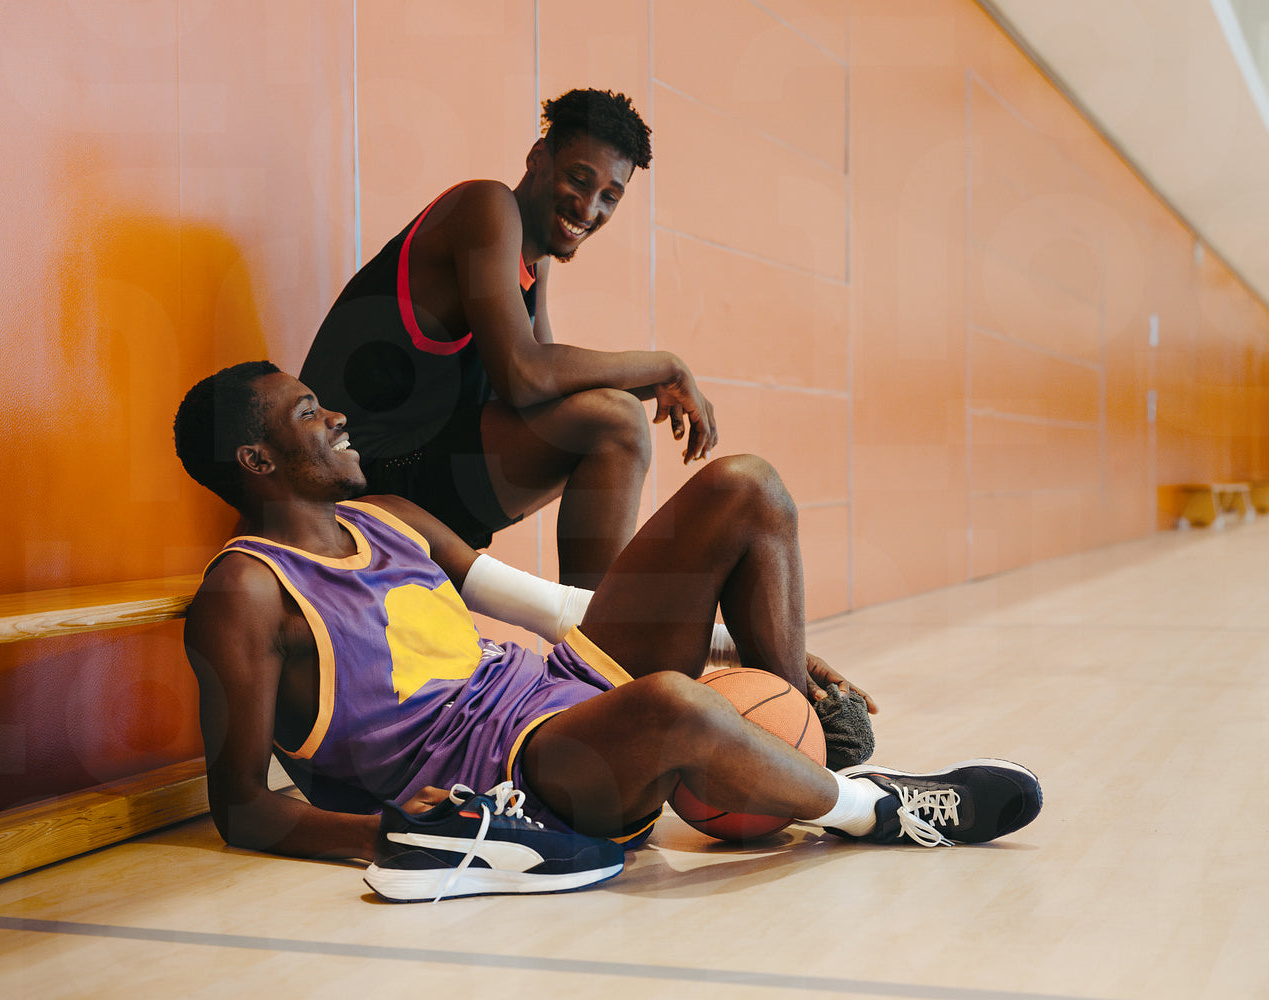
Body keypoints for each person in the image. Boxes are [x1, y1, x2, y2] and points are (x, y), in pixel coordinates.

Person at [174, 362, 1042, 903]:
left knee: (746, 486)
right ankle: (875, 810)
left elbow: (555, 610)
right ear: (257, 461)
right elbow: (240, 807)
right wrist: (404, 831)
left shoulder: (391, 516)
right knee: (673, 705)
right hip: (514, 778)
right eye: (308, 413)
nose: (335, 418)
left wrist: (730, 649)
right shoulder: (246, 593)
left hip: (555, 684)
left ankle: (795, 761)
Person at [299, 88, 716, 589]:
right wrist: (666, 365)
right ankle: (600, 632)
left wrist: (654, 385)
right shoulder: (485, 206)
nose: (589, 207)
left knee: (607, 414)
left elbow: (546, 392)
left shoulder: (533, 260)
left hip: (412, 468)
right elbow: (524, 376)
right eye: (579, 179)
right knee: (616, 421)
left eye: (610, 196)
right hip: (353, 475)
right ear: (538, 158)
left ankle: (595, 625)